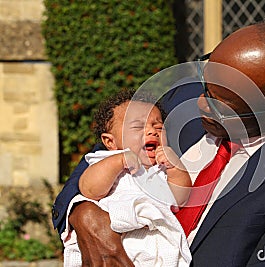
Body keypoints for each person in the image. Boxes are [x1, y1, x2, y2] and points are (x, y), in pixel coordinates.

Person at [52, 19, 265, 266]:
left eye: (220, 103)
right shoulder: (186, 96)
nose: (199, 102)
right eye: (206, 79)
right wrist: (85, 216)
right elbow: (98, 161)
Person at [61, 89, 192, 266]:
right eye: (138, 126)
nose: (152, 132)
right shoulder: (105, 161)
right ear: (110, 142)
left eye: (158, 127)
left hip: (153, 245)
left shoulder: (161, 169)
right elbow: (89, 189)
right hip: (109, 237)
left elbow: (180, 198)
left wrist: (175, 168)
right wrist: (118, 162)